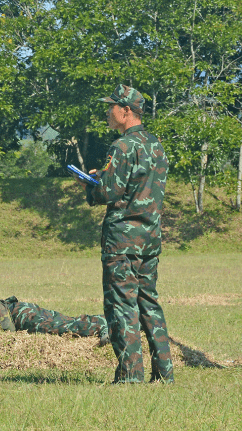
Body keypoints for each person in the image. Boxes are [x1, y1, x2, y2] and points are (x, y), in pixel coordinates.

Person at [80, 84, 174, 384]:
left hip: (122, 239)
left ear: (126, 111)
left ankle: (130, 375)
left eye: (112, 107)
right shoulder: (156, 144)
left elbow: (108, 193)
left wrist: (91, 183)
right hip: (150, 237)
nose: (108, 113)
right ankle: (164, 374)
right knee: (149, 303)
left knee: (121, 305)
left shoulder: (122, 147)